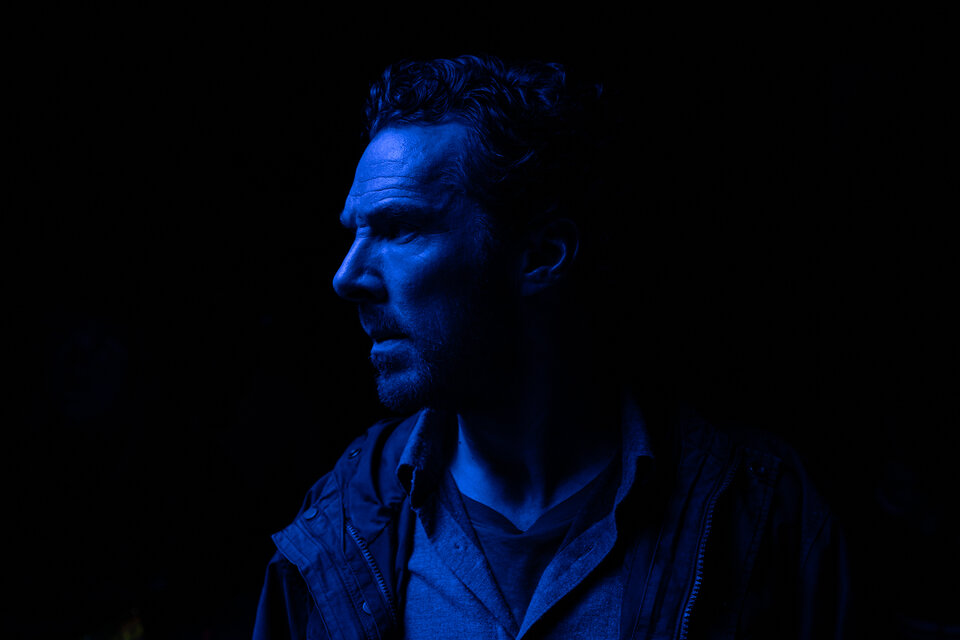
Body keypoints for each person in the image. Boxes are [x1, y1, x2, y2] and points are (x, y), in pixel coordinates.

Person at [253, 54, 852, 639]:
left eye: (400, 229)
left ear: (542, 255)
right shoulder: (333, 532)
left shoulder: (764, 520)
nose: (346, 277)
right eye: (355, 233)